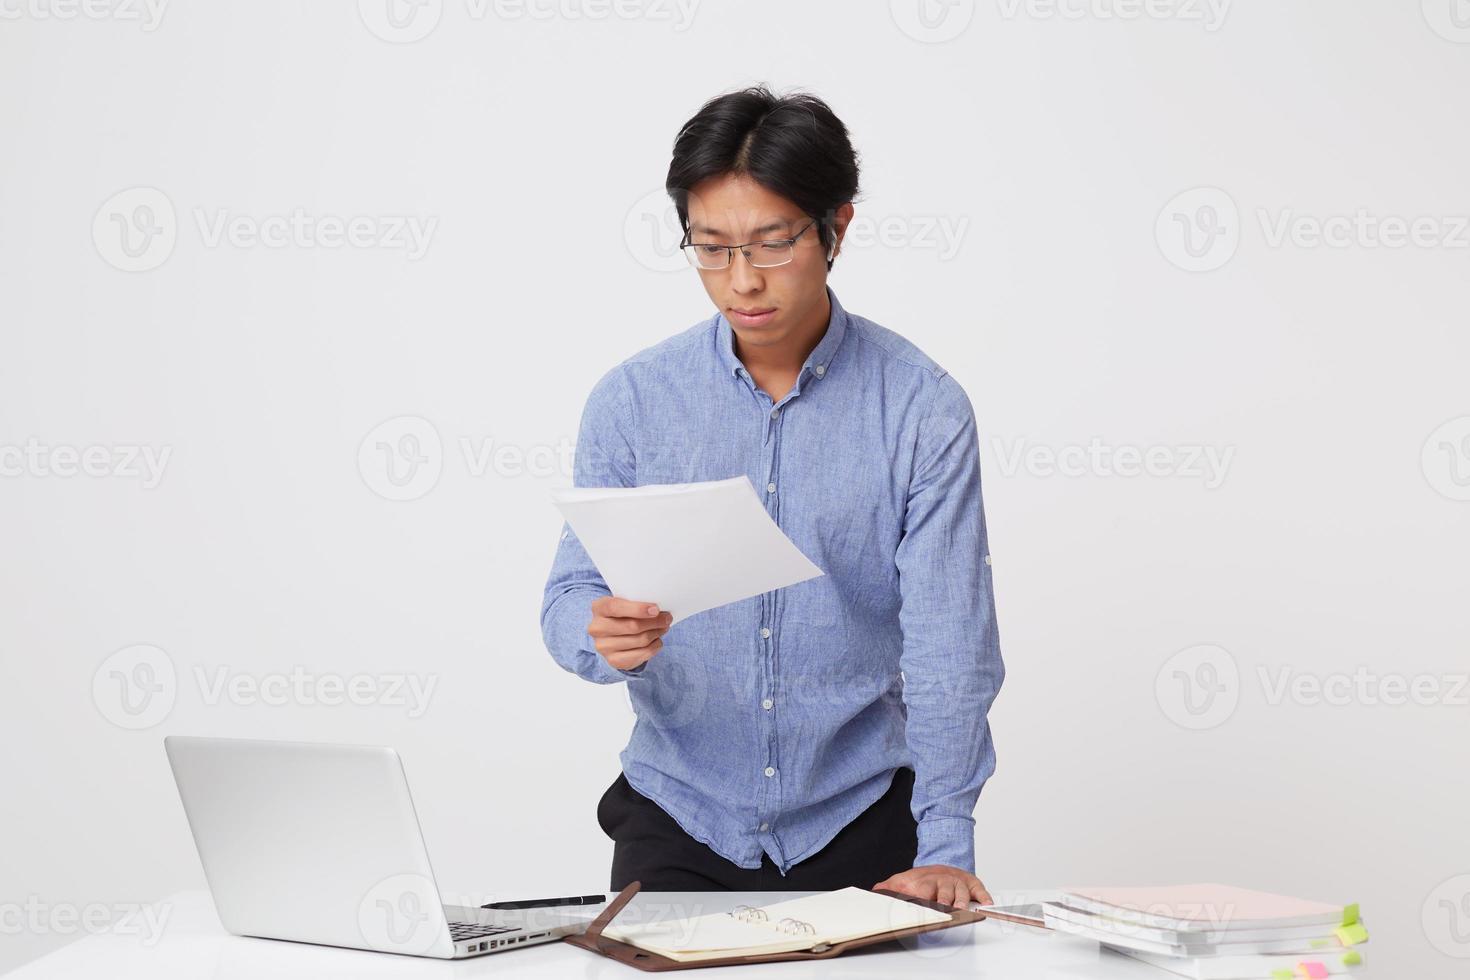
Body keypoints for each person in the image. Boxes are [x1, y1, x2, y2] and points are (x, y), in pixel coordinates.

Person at [540, 85, 1004, 909]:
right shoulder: (635, 400)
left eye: (772, 244)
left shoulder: (921, 409)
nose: (741, 281)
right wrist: (597, 632)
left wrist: (945, 842)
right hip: (678, 820)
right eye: (711, 248)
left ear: (837, 227)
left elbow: (950, 648)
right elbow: (572, 596)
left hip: (862, 825)